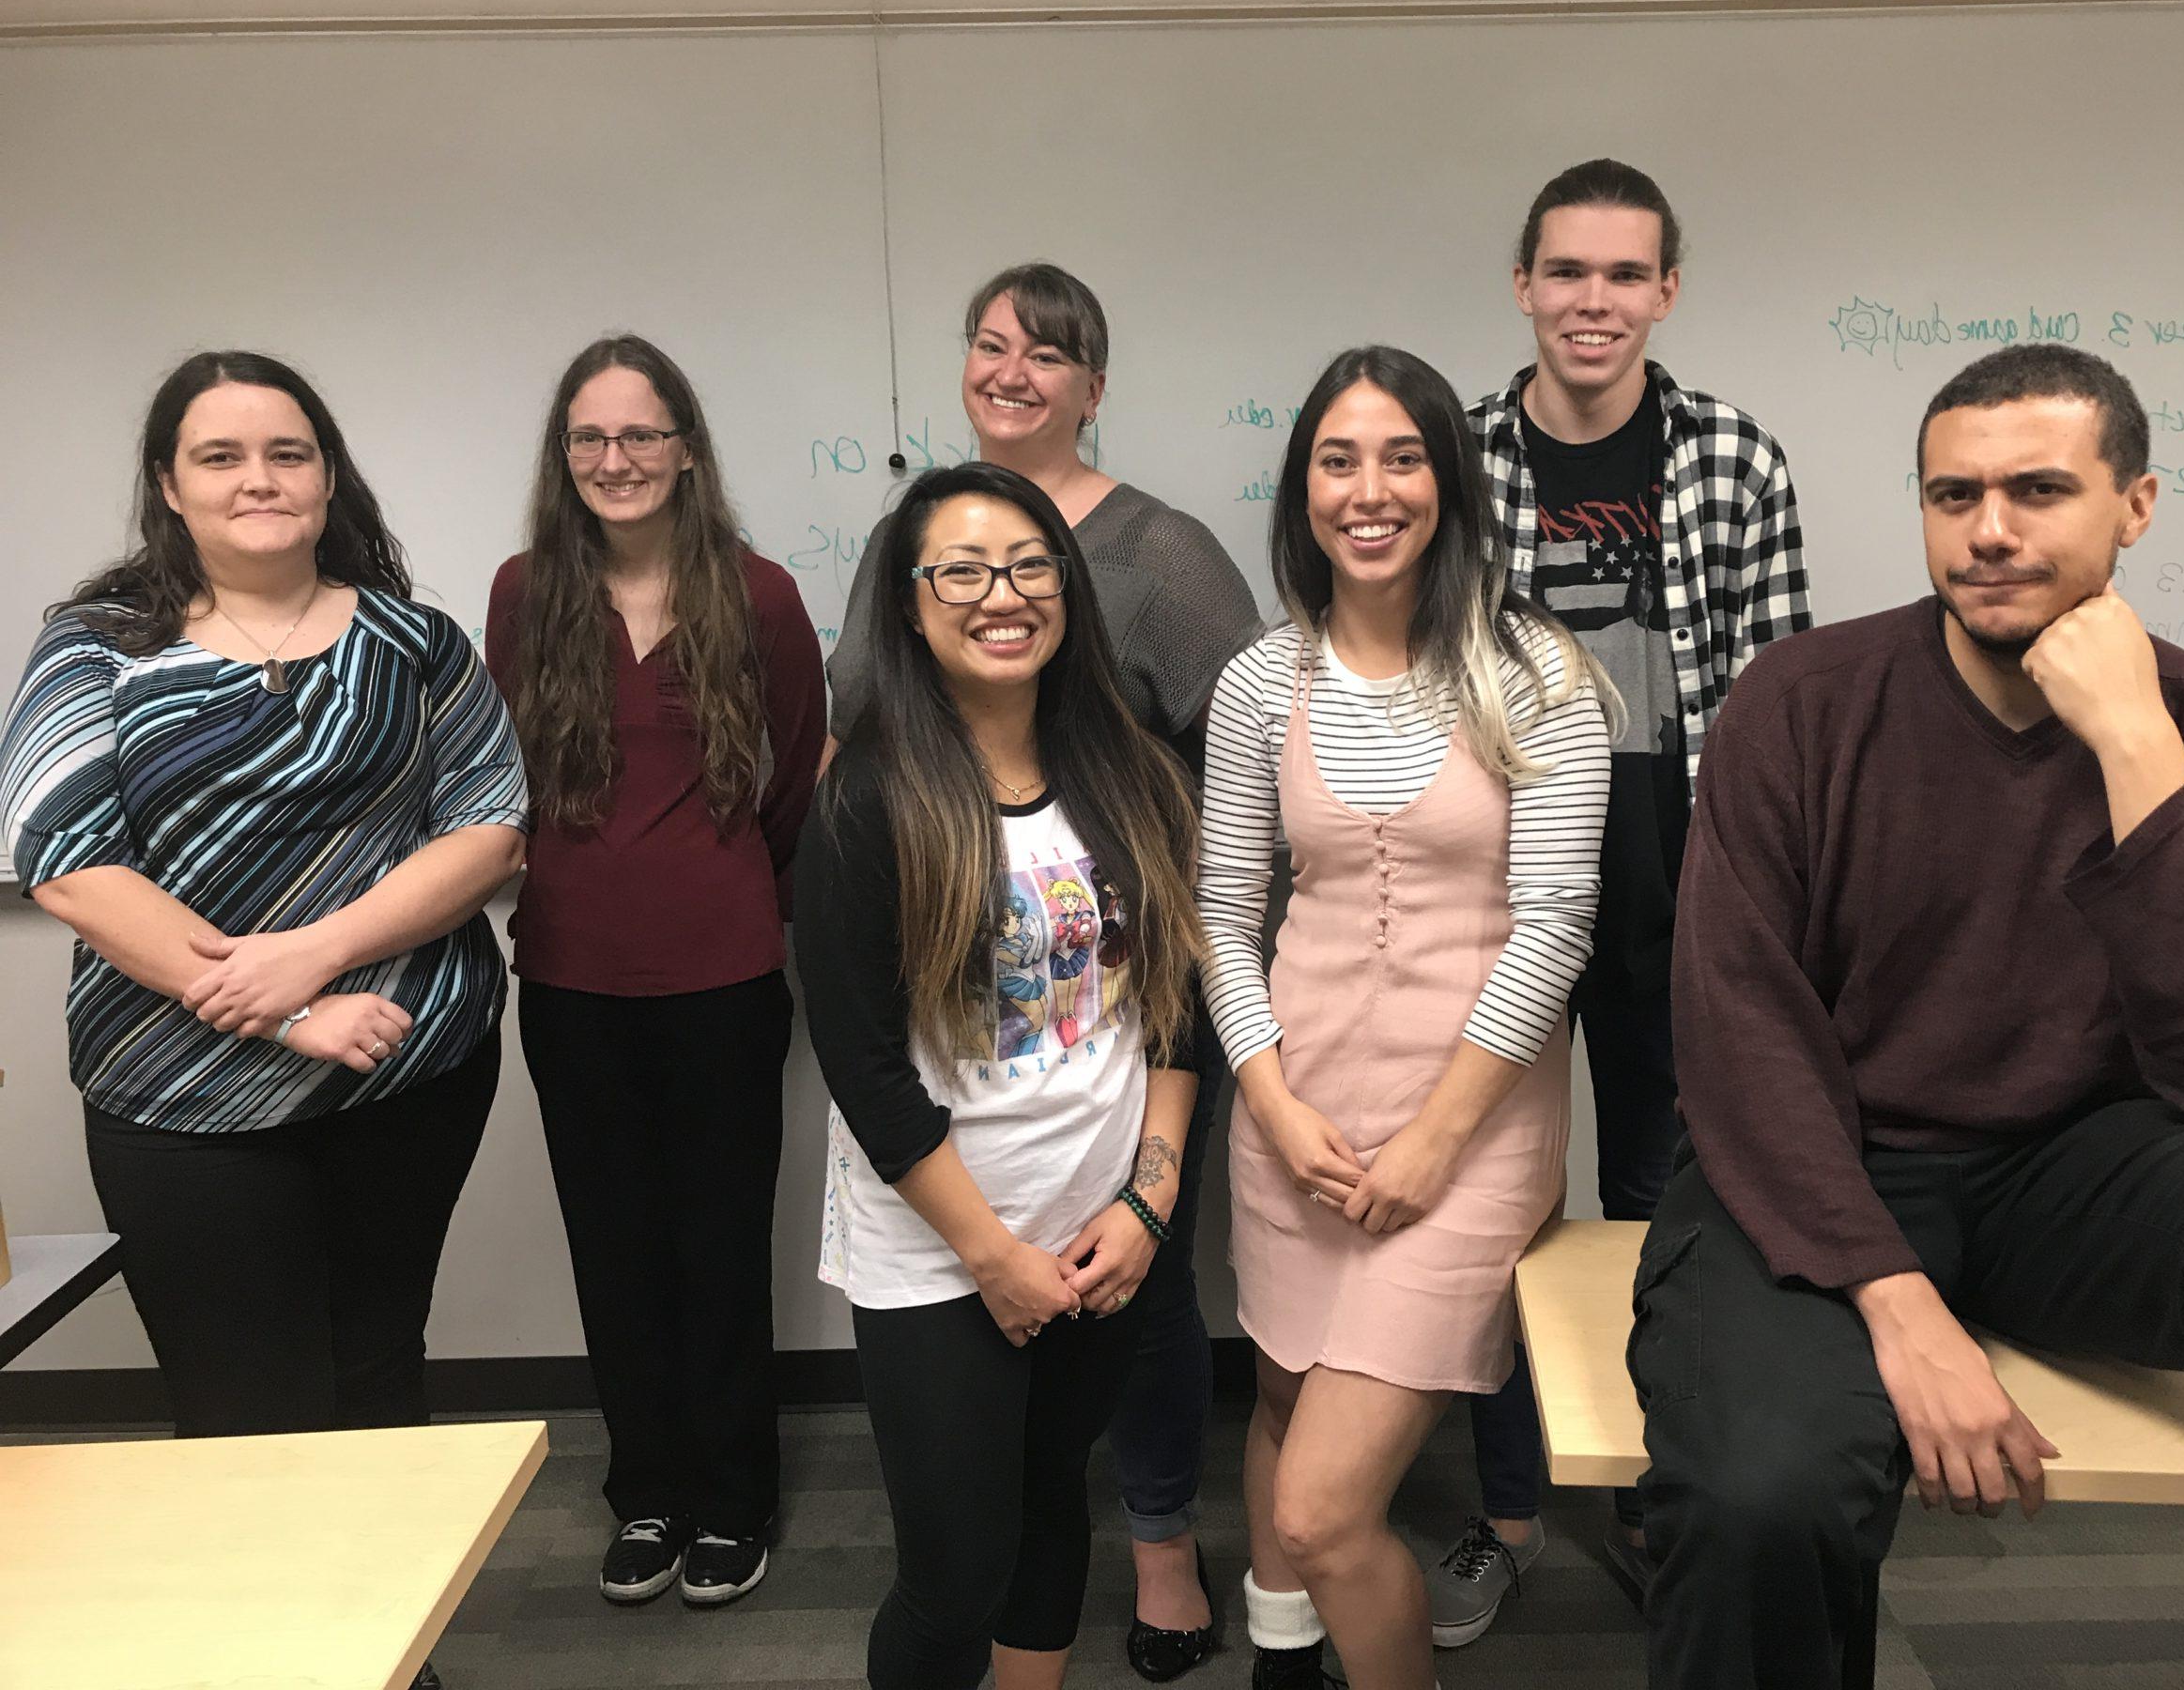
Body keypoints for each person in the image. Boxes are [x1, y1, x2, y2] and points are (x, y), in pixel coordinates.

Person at [1638, 343, 2184, 1689]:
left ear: (2137, 506)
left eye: (2037, 491)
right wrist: (1898, 1303)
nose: (1988, 532)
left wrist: (2136, 751)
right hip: (1822, 1169)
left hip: (2081, 1179)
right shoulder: (1801, 706)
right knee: (1763, 1493)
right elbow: (1741, 1039)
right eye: (1952, 496)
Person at [0, 350, 528, 1690]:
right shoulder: (94, 645)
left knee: (376, 1382)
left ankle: (397, 1661)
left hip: (410, 1069)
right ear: (170, 485)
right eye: (221, 456)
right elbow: (61, 850)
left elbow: (490, 822)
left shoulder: (414, 639)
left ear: (328, 473)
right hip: (180, 1099)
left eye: (286, 452)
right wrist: (273, 1011)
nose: (258, 479)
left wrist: (321, 955)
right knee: (249, 1422)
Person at [827, 262, 1258, 1675]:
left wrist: (1151, 1191)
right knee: (953, 1578)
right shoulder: (874, 800)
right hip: (950, 1252)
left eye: (1026, 570)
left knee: (1045, 1538)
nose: (1000, 595)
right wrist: (988, 1256)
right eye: (961, 570)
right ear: (909, 601)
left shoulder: (1126, 778)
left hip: (1100, 1233)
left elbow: (1179, 998)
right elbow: (864, 1063)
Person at [1433, 156, 1813, 1643]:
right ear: (1523, 283)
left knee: (1671, 1208)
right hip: (1501, 897)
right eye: (1567, 273)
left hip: (1687, 900)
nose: (1594, 302)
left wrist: (1772, 917)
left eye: (1624, 275)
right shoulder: (1451, 458)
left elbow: (1774, 706)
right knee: (1497, 1205)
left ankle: (1667, 1501)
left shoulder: (1734, 457)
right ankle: (1510, 1511)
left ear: (1667, 289)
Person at [1199, 346, 1612, 1690]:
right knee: (1278, 1392)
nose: (1368, 491)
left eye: (1400, 457)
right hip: (1297, 1107)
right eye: (1337, 459)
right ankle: (1280, 1656)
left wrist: (1436, 1143)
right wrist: (1269, 1102)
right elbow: (1223, 912)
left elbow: (1555, 926)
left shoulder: (1533, 671)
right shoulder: (1264, 682)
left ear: (1449, 480)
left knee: (1326, 1508)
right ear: (1302, 489)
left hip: (1469, 1130)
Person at [484, 335, 825, 1608]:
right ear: (564, 457)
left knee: (723, 1247)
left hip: (727, 975)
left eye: (639, 435)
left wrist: (737, 902)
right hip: (570, 977)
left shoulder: (764, 595)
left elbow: (792, 781)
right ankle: (651, 1497)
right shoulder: (526, 593)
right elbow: (503, 781)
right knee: (614, 1248)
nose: (615, 460)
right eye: (590, 438)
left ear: (685, 448)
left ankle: (733, 1500)